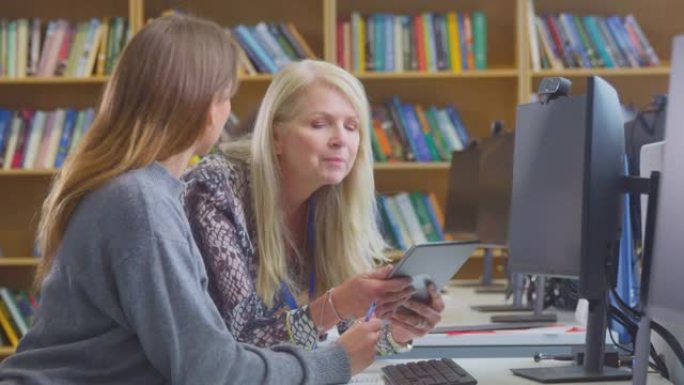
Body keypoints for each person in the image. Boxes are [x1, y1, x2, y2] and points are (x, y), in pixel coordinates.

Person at [0, 15, 383, 385]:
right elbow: (214, 372)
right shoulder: (140, 203)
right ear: (204, 105)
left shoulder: (146, 192)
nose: (229, 111)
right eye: (226, 95)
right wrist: (337, 362)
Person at [182, 60, 445, 355]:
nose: (340, 140)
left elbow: (344, 336)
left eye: (352, 127)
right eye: (319, 124)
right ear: (275, 138)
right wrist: (337, 305)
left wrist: (399, 330)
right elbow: (240, 343)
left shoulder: (329, 199)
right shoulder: (216, 189)